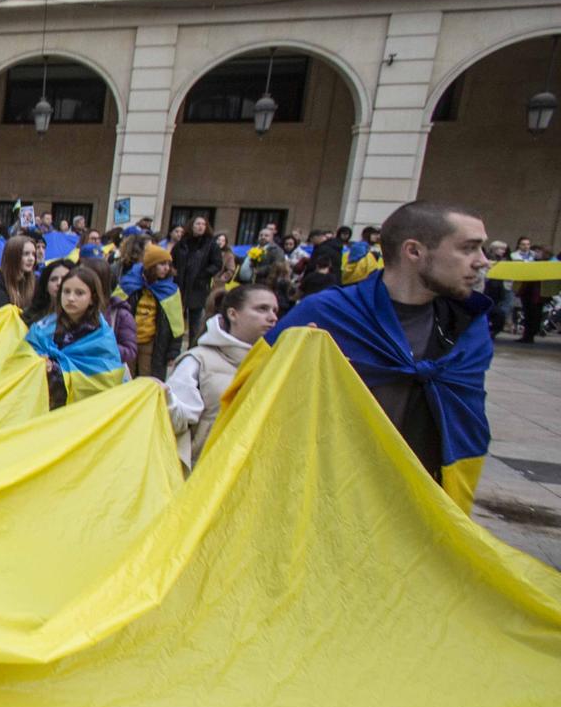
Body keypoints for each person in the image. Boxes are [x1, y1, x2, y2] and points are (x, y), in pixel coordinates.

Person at [268, 202, 493, 501]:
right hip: (329, 498)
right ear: (414, 251)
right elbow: (255, 402)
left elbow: (465, 421)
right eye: (469, 248)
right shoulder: (326, 314)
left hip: (423, 505)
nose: (483, 261)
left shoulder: (467, 328)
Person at [166, 283, 278, 467]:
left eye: (275, 310)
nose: (272, 317)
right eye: (262, 309)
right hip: (205, 472)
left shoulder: (276, 362)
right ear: (233, 314)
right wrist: (165, 398)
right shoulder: (198, 361)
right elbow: (176, 421)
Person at [27, 264, 124, 409]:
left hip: (84, 414)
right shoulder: (43, 327)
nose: (71, 298)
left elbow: (107, 378)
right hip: (46, 410)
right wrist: (38, 361)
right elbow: (24, 356)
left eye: (79, 293)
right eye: (66, 292)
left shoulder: (101, 336)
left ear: (93, 298)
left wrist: (54, 369)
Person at [123, 242, 184, 380]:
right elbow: (114, 311)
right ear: (151, 266)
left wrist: (173, 352)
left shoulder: (170, 291)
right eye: (162, 264)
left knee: (147, 379)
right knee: (126, 378)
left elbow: (177, 325)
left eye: (168, 264)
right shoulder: (130, 284)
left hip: (152, 344)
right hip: (128, 341)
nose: (166, 268)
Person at [172, 214, 223, 347]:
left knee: (195, 321)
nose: (200, 227)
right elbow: (173, 261)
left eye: (203, 224)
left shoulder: (211, 245)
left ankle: (192, 347)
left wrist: (204, 274)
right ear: (191, 226)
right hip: (180, 285)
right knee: (177, 320)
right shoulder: (182, 244)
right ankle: (174, 348)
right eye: (197, 224)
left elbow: (217, 264)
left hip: (198, 287)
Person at [26, 258, 74, 326]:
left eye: (65, 278)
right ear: (46, 286)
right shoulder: (30, 317)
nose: (59, 283)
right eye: (54, 279)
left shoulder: (83, 320)